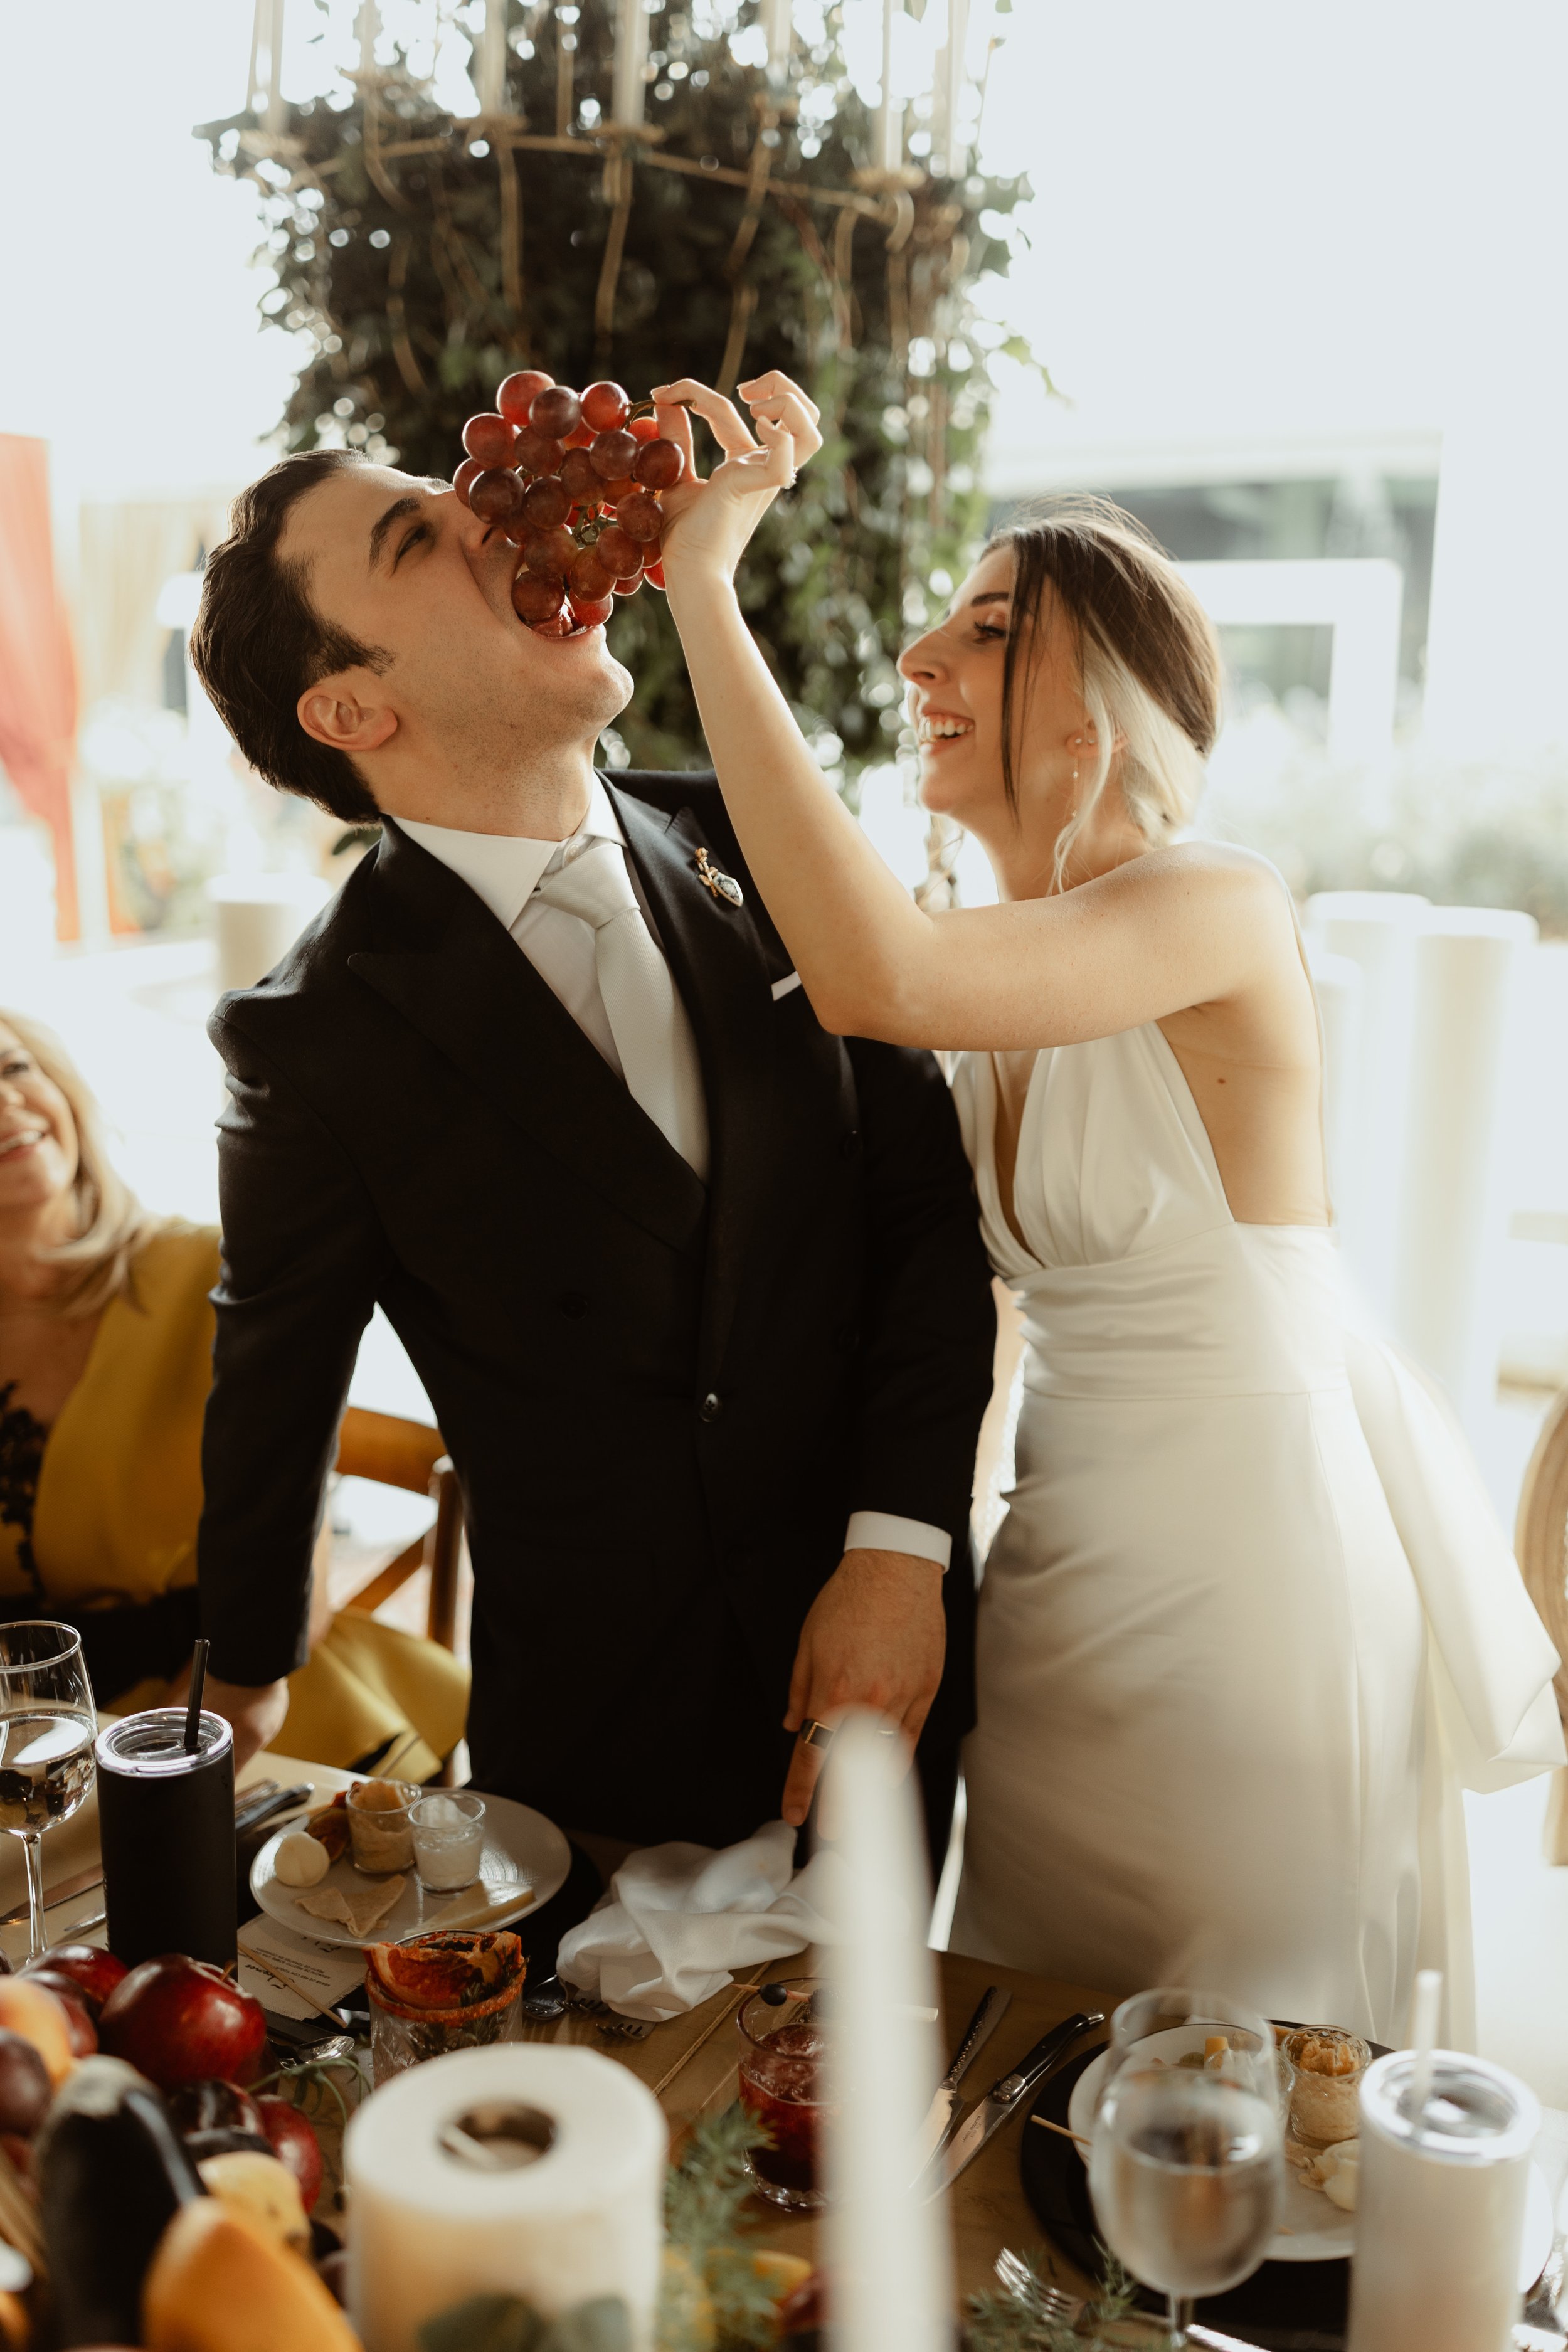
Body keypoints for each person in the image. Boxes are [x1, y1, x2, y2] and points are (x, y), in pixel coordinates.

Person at [650, 391, 1564, 2045]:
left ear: (1107, 707)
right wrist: (904, 1567)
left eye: (986, 626)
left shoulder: (1213, 906)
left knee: (1233, 2078)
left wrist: (702, 581)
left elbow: (873, 976)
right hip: (1060, 1581)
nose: (923, 656)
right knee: (1037, 2050)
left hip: (1245, 1589)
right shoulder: (1000, 962)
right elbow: (967, 1309)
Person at [186, 388, 995, 1868]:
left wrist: (899, 1552)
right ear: (352, 708)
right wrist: (226, 1704)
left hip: (890, 1662)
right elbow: (270, 1387)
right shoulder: (311, 1038)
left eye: (452, 483)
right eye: (414, 535)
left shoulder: (754, 827)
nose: (486, 512)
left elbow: (923, 1215)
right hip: (598, 1756)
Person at [0, 1010, 467, 1777]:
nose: (7, 1103)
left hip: (243, 1706)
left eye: (17, 1068)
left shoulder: (214, 1276)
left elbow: (300, 1591)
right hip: (35, 1740)